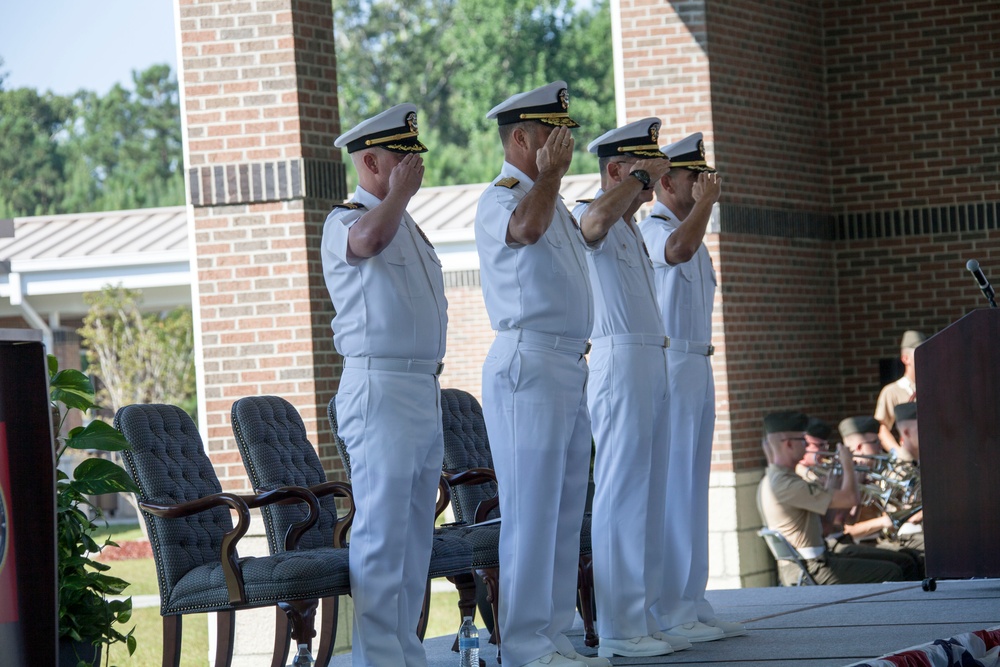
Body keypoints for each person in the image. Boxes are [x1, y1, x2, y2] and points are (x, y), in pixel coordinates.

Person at [475, 81, 605, 667]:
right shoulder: (504, 196)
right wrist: (549, 177)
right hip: (527, 360)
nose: (564, 142)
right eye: (553, 133)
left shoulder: (549, 198)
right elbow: (524, 232)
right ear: (522, 138)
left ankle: (553, 636)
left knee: (560, 508)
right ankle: (525, 643)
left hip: (566, 363)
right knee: (530, 508)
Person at [321, 104, 447, 667]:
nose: (412, 169)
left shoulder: (406, 222)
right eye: (402, 158)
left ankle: (404, 650)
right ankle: (377, 656)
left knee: (415, 530)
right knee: (382, 529)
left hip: (421, 387)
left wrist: (399, 202)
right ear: (370, 160)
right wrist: (396, 197)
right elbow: (366, 244)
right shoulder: (345, 219)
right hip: (380, 387)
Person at [571, 118, 680, 659]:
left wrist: (635, 189)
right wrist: (634, 183)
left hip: (650, 358)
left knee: (651, 494)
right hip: (617, 359)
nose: (651, 187)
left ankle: (644, 616)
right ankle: (617, 626)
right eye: (644, 175)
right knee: (620, 495)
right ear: (617, 170)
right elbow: (589, 224)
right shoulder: (593, 213)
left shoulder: (631, 225)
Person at [638, 132, 744, 642]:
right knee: (675, 486)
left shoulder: (690, 228)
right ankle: (670, 608)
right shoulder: (656, 226)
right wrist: (704, 208)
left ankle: (692, 599)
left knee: (693, 487)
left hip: (698, 363)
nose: (703, 183)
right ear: (666, 181)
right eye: (693, 176)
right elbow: (676, 252)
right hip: (671, 361)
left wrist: (699, 209)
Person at [758, 411, 907, 586]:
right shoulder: (786, 484)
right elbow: (850, 498)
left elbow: (827, 527)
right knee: (892, 571)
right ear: (789, 444)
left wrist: (830, 489)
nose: (806, 446)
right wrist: (848, 465)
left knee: (899, 564)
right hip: (809, 569)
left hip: (814, 562)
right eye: (803, 441)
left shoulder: (782, 479)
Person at [833, 416, 923, 579]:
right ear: (859, 447)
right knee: (910, 561)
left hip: (886, 539)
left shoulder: (878, 473)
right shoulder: (841, 480)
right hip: (864, 544)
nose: (881, 447)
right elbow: (847, 529)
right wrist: (883, 521)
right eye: (875, 442)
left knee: (918, 557)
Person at [874, 330, 927, 457]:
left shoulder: (935, 387)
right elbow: (881, 428)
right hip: (909, 460)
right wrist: (898, 453)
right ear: (905, 358)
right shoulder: (892, 391)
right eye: (920, 353)